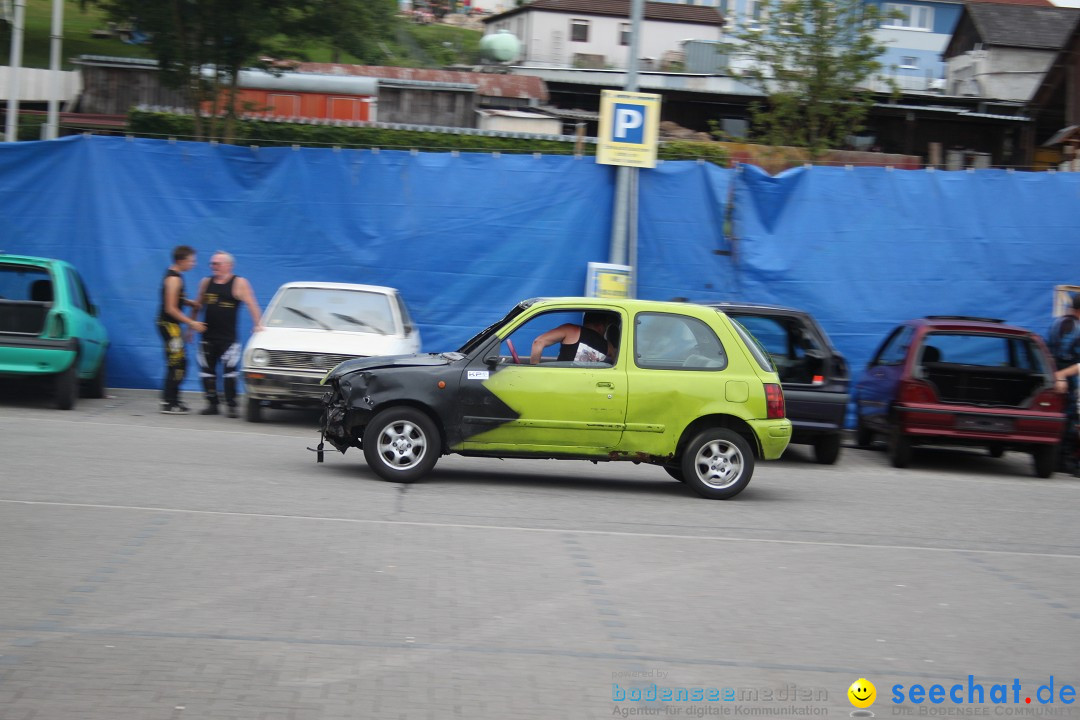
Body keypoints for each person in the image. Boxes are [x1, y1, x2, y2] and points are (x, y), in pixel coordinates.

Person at [191, 251, 262, 418]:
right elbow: (197, 305)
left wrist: (258, 325)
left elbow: (252, 304)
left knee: (230, 373)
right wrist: (190, 327)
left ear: (229, 265)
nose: (213, 267)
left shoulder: (239, 283)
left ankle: (231, 404)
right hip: (207, 338)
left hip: (228, 339)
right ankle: (212, 403)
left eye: (217, 264)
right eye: (211, 264)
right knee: (206, 373)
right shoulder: (206, 282)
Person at [158, 245, 205, 414]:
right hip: (169, 326)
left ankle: (172, 399)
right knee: (178, 364)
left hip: (172, 326)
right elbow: (170, 308)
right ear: (181, 261)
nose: (193, 264)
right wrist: (191, 323)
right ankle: (169, 402)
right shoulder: (174, 279)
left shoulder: (177, 276)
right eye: (191, 260)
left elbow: (176, 299)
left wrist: (189, 302)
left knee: (178, 363)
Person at [1048, 294, 1080, 473]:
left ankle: (1055, 460)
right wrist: (1062, 375)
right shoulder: (1078, 329)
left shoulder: (1055, 324)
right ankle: (1066, 462)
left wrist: (1054, 375)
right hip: (1067, 380)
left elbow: (1048, 353)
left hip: (1051, 377)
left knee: (1056, 417)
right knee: (1068, 419)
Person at [530, 311, 616, 364]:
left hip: (560, 384)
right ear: (601, 326)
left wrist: (534, 370)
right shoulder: (609, 347)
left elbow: (538, 342)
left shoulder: (571, 330)